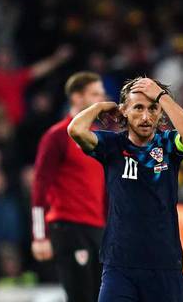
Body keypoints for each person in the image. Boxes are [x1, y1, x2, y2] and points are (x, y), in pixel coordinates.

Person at [68, 77, 183, 301]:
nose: (146, 116)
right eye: (138, 107)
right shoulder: (112, 146)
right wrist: (101, 107)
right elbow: (76, 130)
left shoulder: (168, 146)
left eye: (153, 108)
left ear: (161, 112)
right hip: (120, 264)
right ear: (125, 111)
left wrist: (162, 96)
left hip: (164, 265)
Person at [31, 72, 106, 302]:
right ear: (76, 97)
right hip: (69, 227)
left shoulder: (99, 138)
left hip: (98, 229)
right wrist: (39, 235)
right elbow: (40, 184)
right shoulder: (57, 136)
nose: (101, 98)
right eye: (95, 93)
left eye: (101, 92)